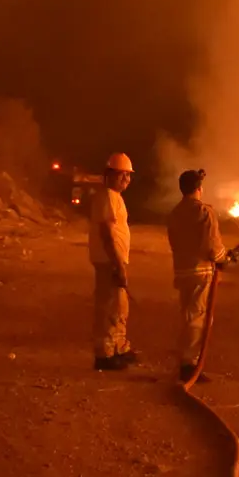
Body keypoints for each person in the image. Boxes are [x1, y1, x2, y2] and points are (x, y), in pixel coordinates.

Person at [167, 168, 227, 383]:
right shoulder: (204, 212)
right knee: (197, 319)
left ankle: (187, 361)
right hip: (200, 272)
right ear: (199, 189)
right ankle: (189, 365)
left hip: (182, 271)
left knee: (188, 316)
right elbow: (212, 246)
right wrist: (223, 258)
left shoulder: (175, 213)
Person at [89, 152, 136, 371]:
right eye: (121, 174)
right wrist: (117, 264)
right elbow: (107, 234)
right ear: (109, 175)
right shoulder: (107, 196)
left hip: (113, 260)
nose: (126, 179)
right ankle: (105, 355)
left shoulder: (114, 197)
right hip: (109, 261)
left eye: (128, 175)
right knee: (110, 308)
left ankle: (119, 348)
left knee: (119, 307)